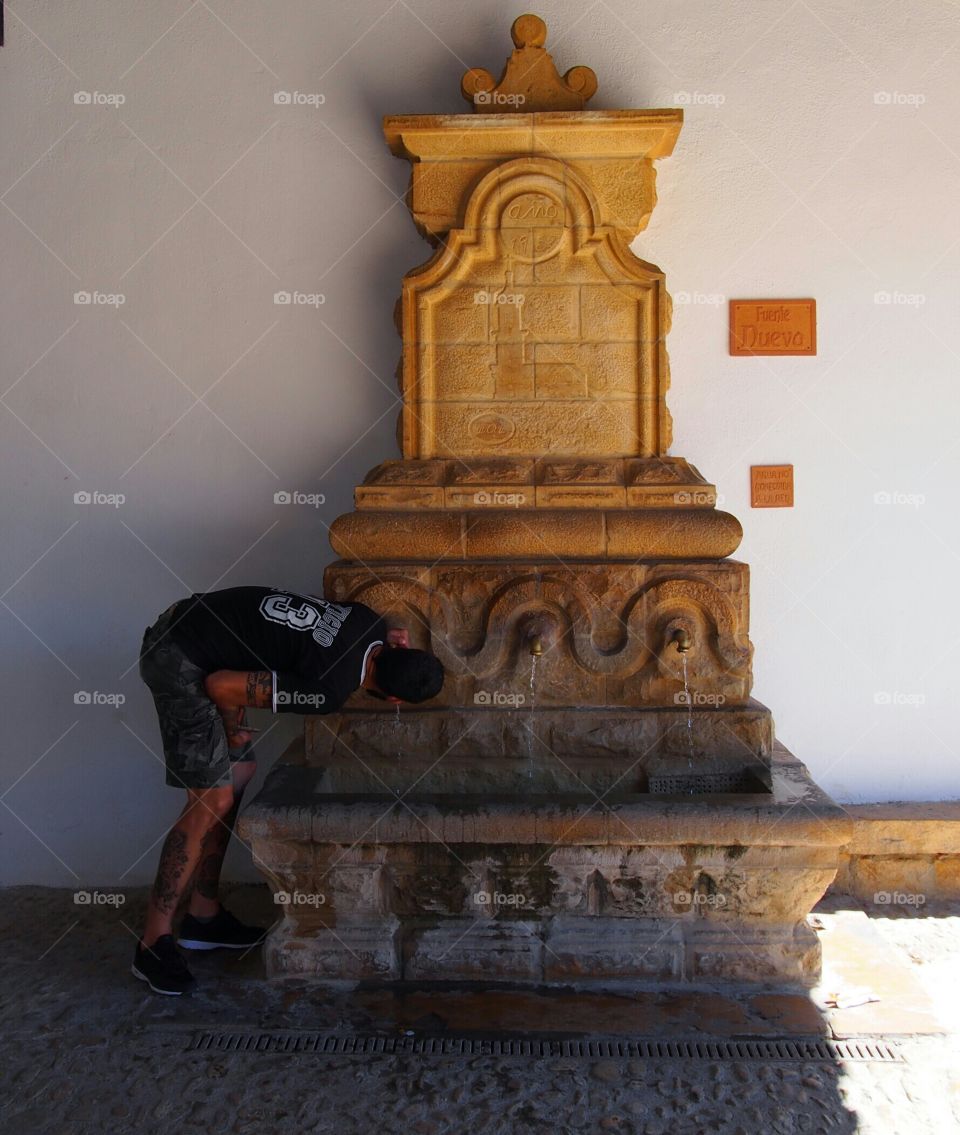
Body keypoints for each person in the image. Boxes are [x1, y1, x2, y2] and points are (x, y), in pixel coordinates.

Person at [133, 586, 444, 995]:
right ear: (392, 698)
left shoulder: (370, 622)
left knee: (240, 773)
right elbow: (221, 685)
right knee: (212, 799)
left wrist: (392, 633)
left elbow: (367, 630)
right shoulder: (328, 691)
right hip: (176, 654)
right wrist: (231, 725)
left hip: (191, 619)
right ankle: (152, 942)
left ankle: (203, 916)